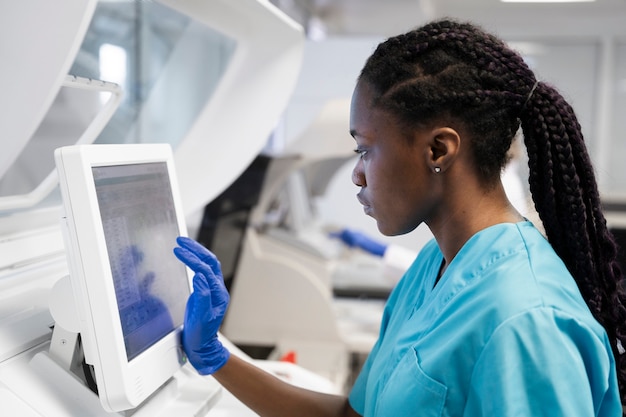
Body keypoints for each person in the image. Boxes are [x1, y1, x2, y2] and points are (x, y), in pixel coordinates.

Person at [173, 18, 626, 416]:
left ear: (438, 150)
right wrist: (215, 357)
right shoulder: (435, 266)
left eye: (365, 149)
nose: (356, 175)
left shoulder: (526, 323)